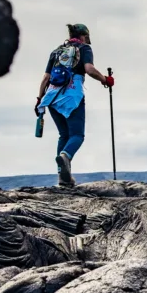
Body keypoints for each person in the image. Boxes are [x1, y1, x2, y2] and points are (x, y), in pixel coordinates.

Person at [35, 23, 113, 187]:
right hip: (71, 96)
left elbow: (45, 78)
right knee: (77, 135)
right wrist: (106, 80)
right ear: (84, 36)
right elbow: (89, 69)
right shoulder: (84, 49)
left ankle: (63, 178)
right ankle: (66, 156)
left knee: (64, 135)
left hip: (51, 97)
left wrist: (39, 99)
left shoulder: (56, 51)